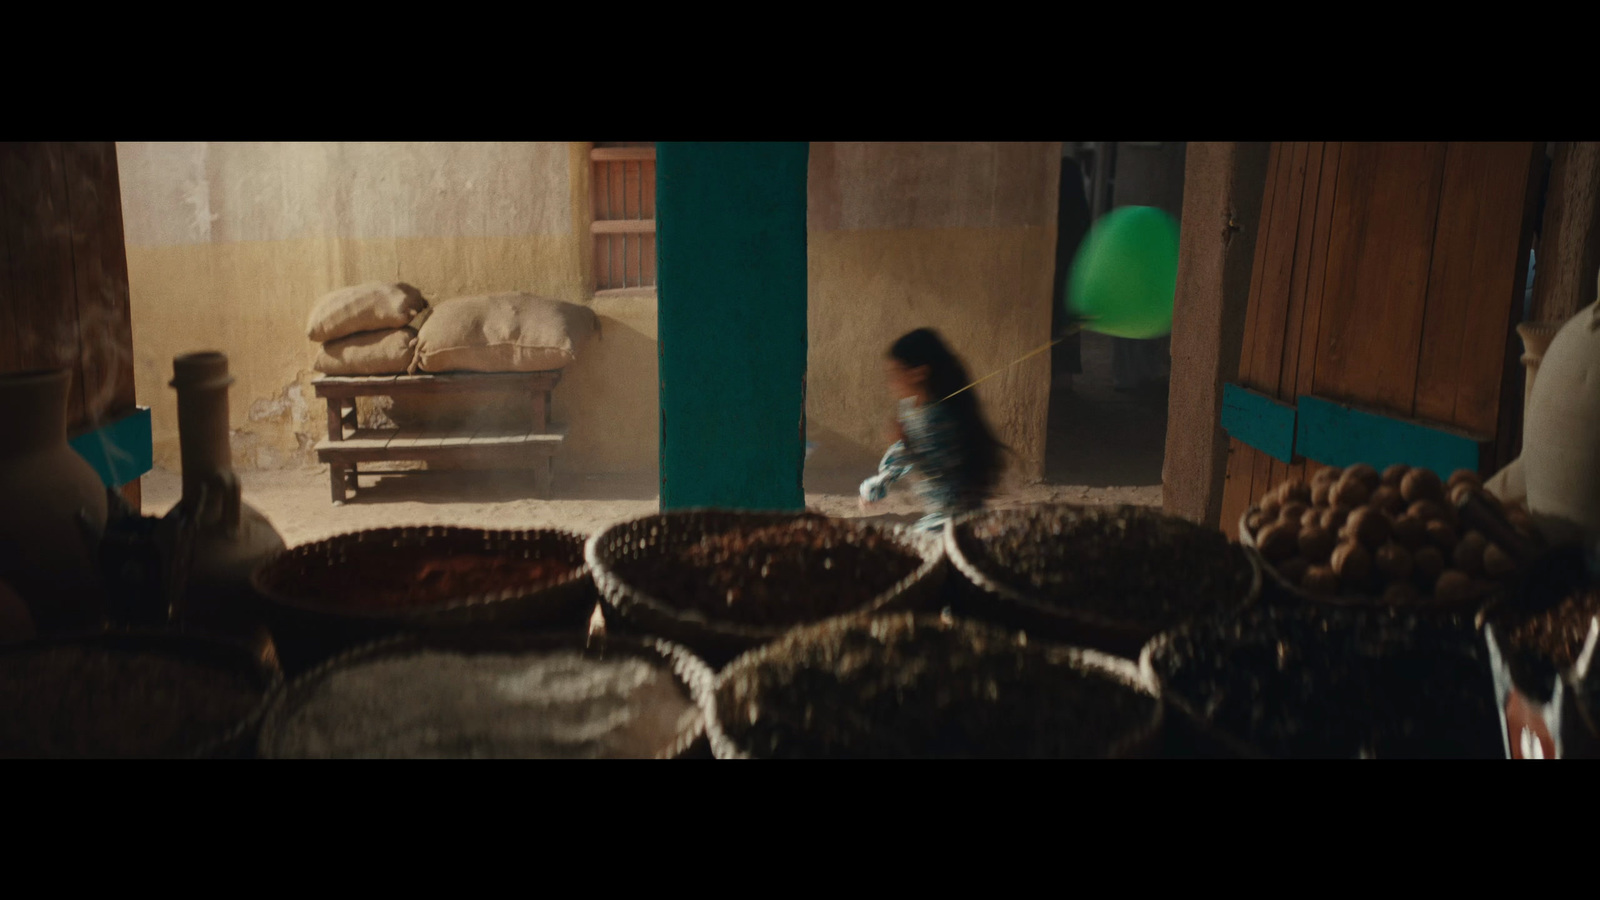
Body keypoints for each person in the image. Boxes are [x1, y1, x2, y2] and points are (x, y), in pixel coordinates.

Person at [859, 329, 1006, 533]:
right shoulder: (910, 408)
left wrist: (904, 444)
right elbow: (904, 455)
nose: (891, 383)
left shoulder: (939, 417)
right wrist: (877, 486)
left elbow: (931, 464)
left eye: (895, 374)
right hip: (939, 515)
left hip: (954, 521)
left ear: (919, 373)